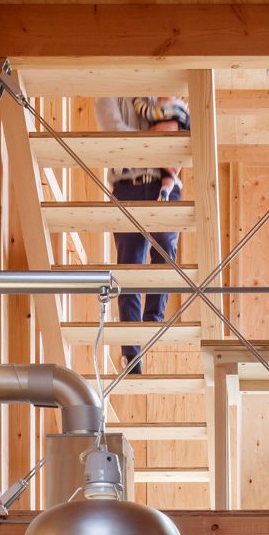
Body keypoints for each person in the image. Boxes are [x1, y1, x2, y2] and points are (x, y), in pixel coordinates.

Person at [93, 87, 190, 373]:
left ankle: (153, 322)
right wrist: (156, 139)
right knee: (130, 266)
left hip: (165, 183)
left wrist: (158, 137)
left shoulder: (162, 91)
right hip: (128, 186)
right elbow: (115, 133)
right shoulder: (109, 94)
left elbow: (180, 133)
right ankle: (131, 352)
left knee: (166, 248)